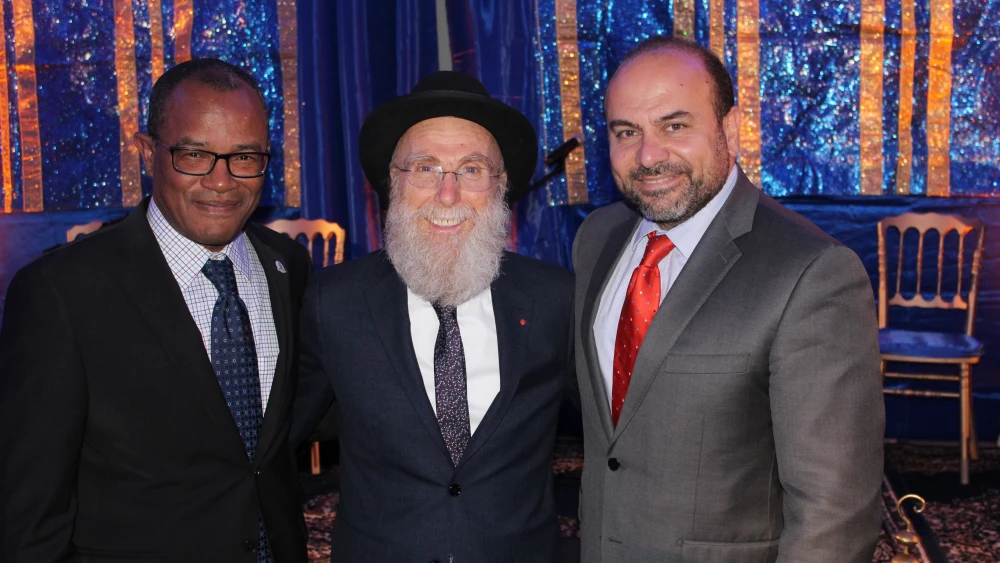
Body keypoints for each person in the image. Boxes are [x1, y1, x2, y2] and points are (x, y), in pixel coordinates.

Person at [572, 36, 884, 562]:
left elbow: (835, 514)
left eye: (675, 125)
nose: (649, 155)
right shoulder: (597, 238)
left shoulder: (811, 272)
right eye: (627, 132)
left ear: (731, 129)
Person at [0, 59, 310, 563]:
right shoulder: (62, 292)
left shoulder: (287, 266)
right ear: (148, 153)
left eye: (245, 156)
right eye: (194, 154)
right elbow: (30, 512)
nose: (222, 181)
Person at [291, 71, 573, 563]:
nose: (448, 195)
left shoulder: (556, 299)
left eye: (471, 169)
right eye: (424, 168)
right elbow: (277, 440)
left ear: (501, 187)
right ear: (392, 184)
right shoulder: (332, 302)